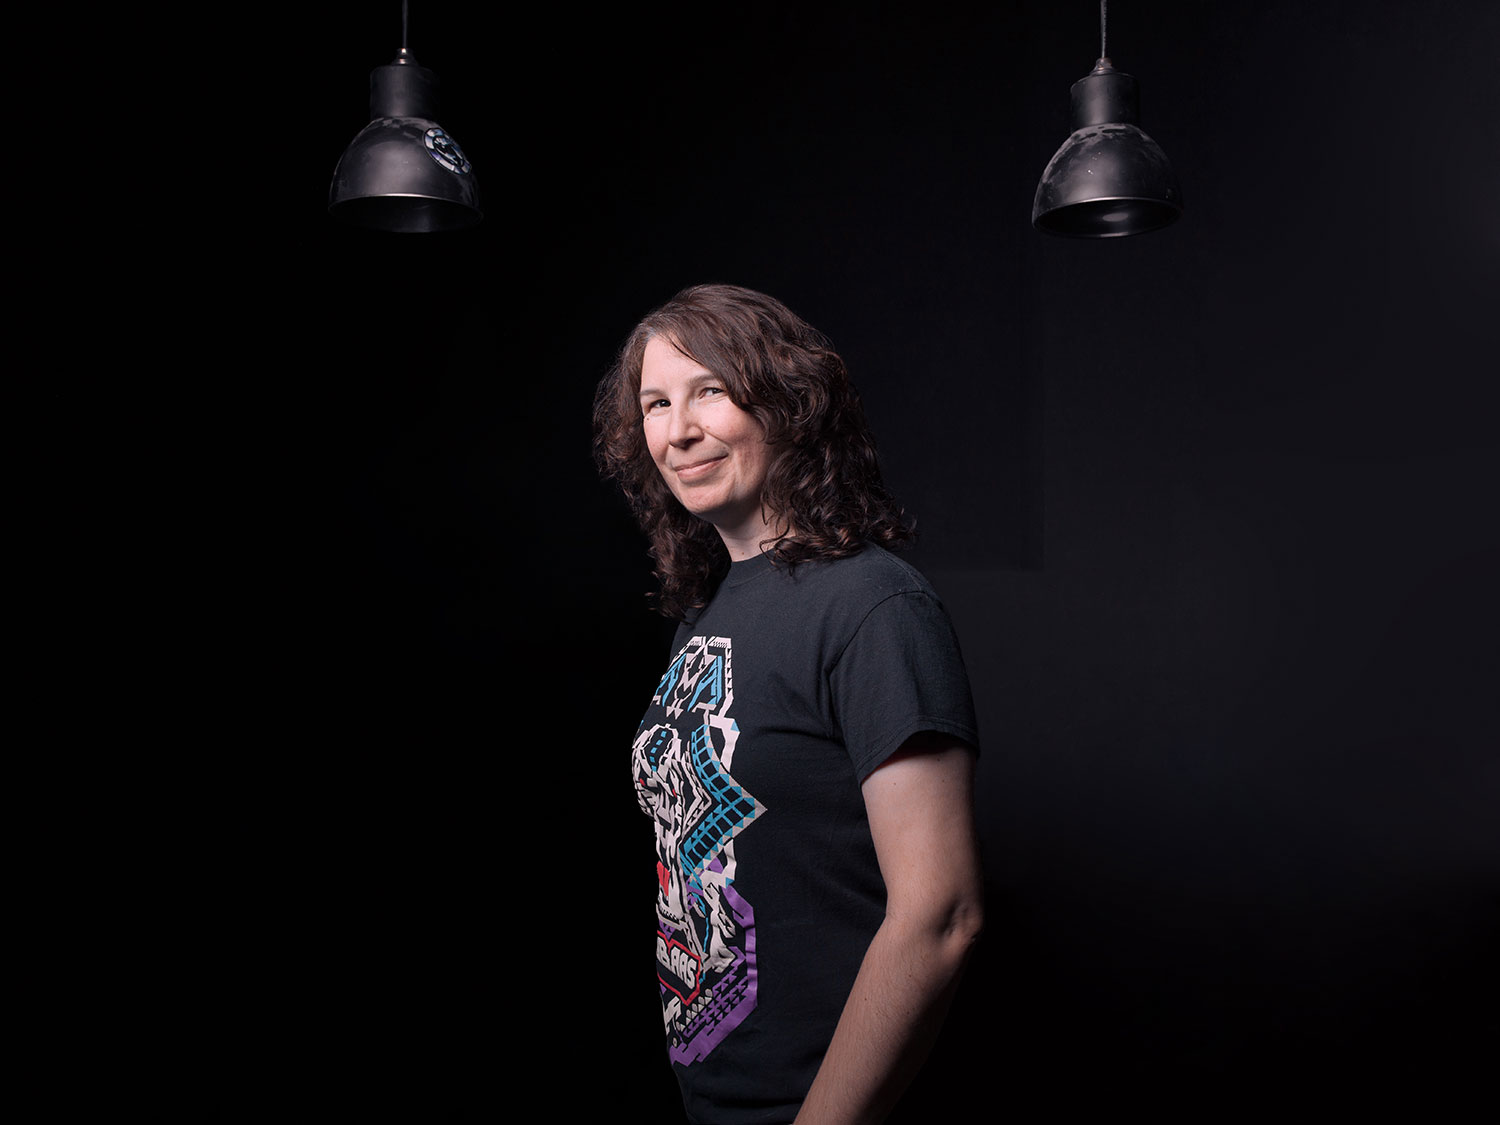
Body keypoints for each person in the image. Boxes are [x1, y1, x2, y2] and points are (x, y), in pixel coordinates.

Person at [593, 283, 984, 1124]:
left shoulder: (874, 605)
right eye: (656, 403)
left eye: (709, 390)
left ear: (788, 402)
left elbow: (940, 913)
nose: (677, 430)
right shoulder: (706, 613)